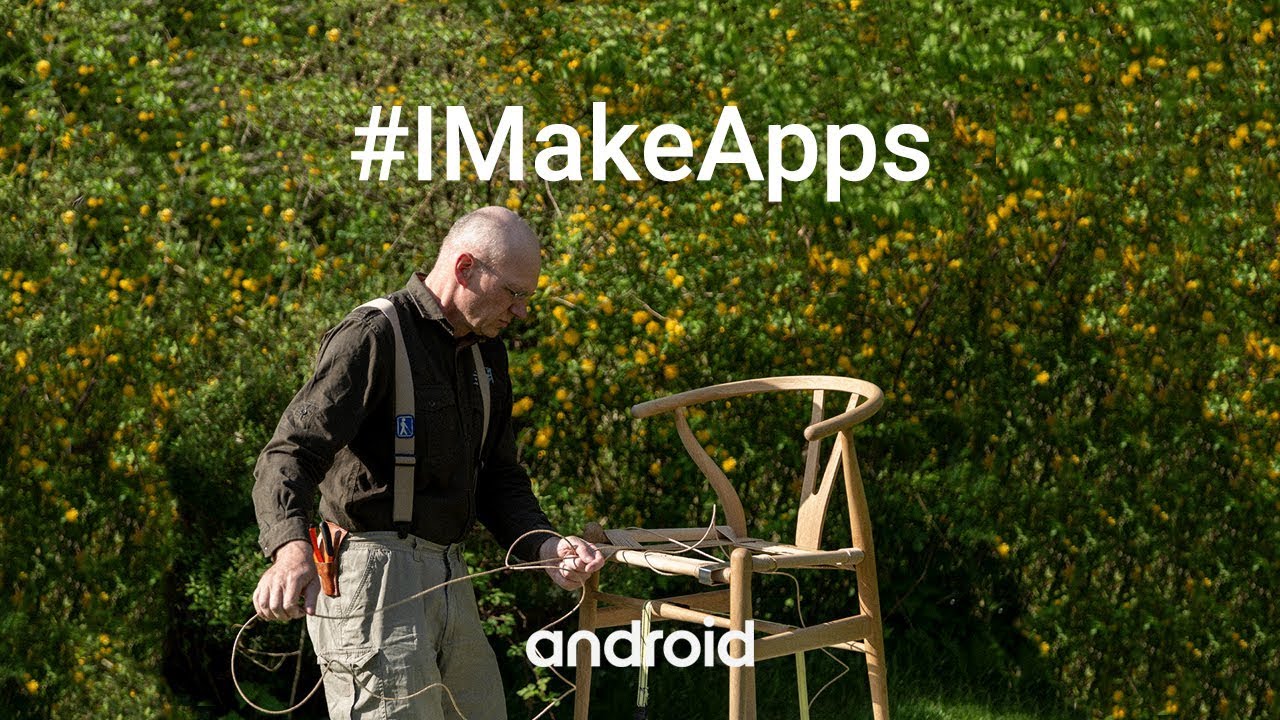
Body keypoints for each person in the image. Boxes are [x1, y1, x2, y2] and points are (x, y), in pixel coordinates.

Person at [250, 206, 605, 719]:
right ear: (465, 269)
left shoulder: (488, 356)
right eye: (515, 293)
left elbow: (499, 479)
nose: (522, 311)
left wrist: (547, 546)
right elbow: (290, 453)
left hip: (449, 577)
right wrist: (289, 549)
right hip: (370, 582)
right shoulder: (374, 334)